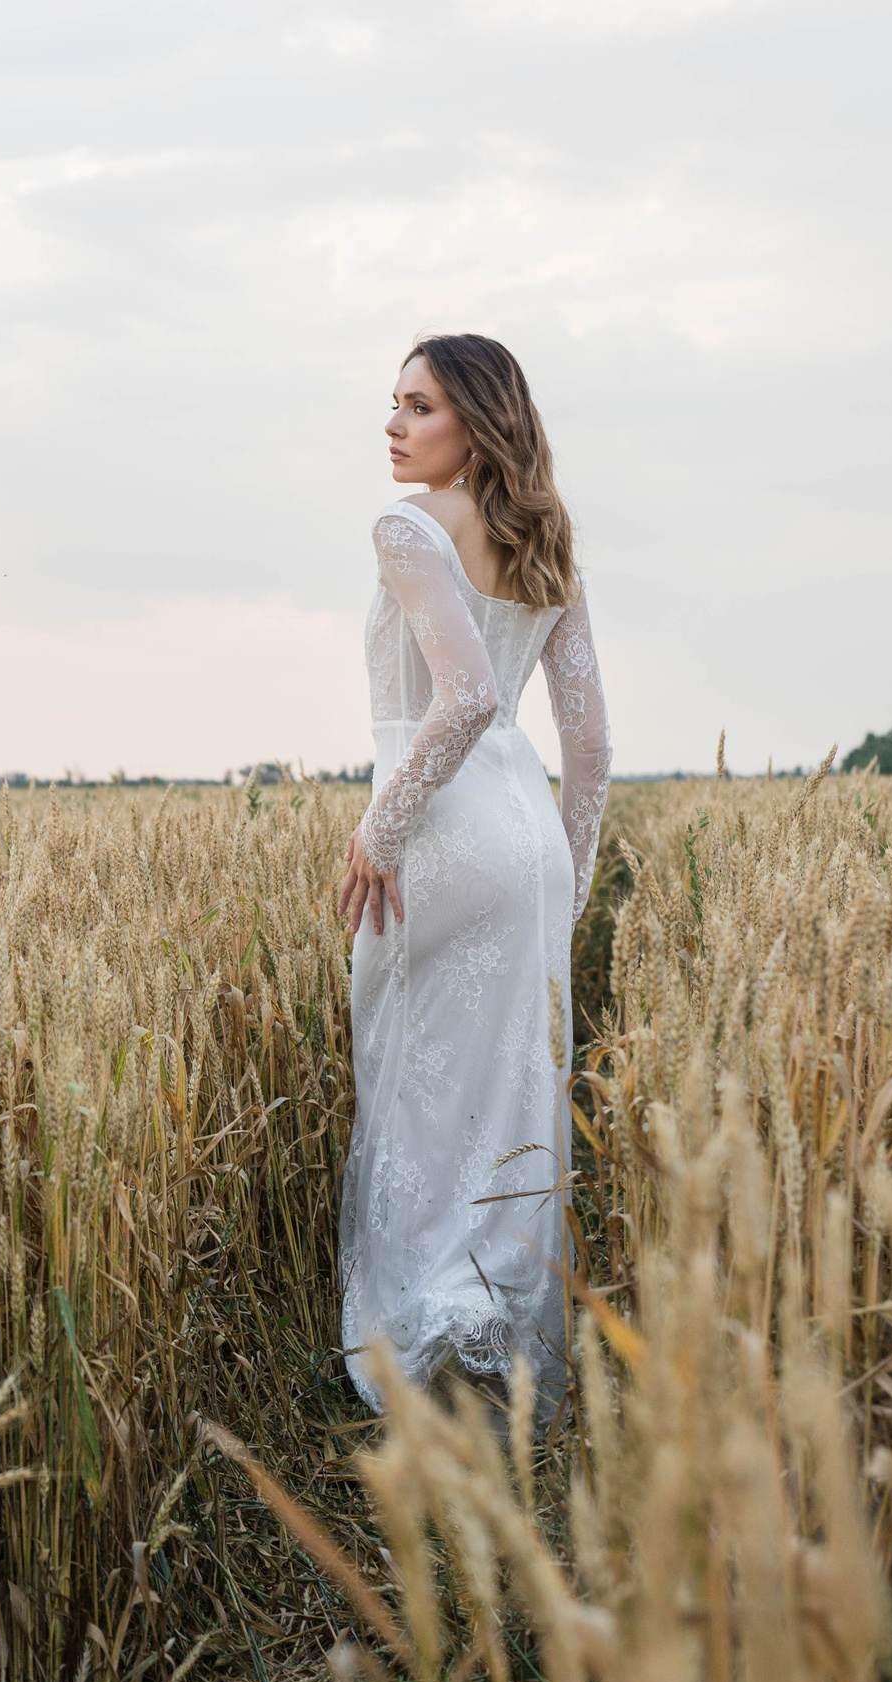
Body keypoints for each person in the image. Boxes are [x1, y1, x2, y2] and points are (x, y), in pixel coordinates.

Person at [334, 333, 611, 1415]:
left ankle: (423, 1345)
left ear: (478, 422)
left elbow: (459, 702)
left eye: (420, 406)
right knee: (508, 1088)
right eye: (393, 404)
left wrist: (380, 831)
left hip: (440, 831)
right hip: (529, 839)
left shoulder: (407, 526)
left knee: (416, 1084)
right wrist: (569, 888)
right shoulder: (548, 550)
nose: (394, 425)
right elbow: (586, 751)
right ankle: (494, 1339)